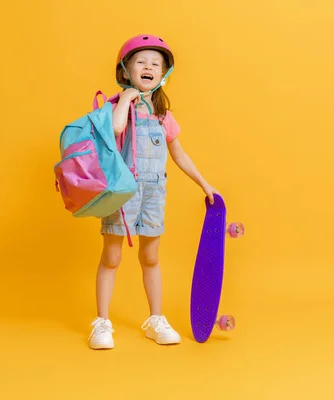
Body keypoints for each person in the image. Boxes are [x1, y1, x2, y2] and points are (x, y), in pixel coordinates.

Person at [88, 34, 219, 350]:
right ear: (126, 70)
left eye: (155, 64)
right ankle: (101, 323)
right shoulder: (117, 106)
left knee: (150, 256)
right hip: (122, 193)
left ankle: (155, 319)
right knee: (112, 256)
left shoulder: (163, 114)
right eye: (141, 62)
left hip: (154, 194)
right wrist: (128, 97)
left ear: (163, 74)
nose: (148, 67)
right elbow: (117, 129)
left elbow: (179, 155)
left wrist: (204, 182)